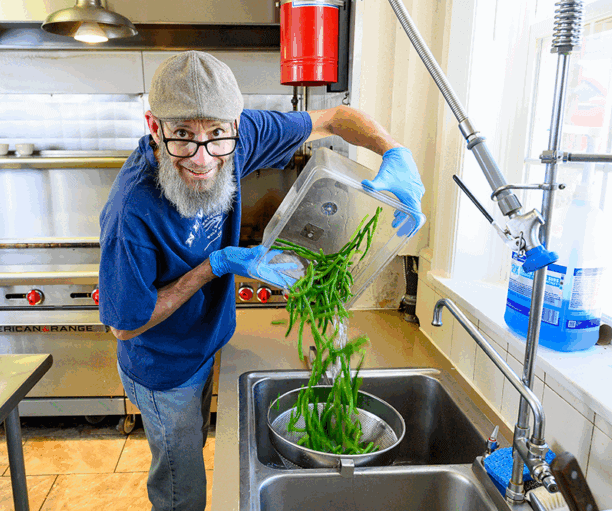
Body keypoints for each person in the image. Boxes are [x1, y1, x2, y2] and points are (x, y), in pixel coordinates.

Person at [98, 50, 425, 511]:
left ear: (235, 122)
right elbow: (125, 326)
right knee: (181, 492)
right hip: (162, 367)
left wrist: (394, 150)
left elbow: (336, 117)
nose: (202, 157)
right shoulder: (130, 212)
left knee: (199, 452)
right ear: (155, 127)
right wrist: (217, 264)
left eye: (216, 135)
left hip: (207, 343)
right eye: (182, 137)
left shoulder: (240, 135)